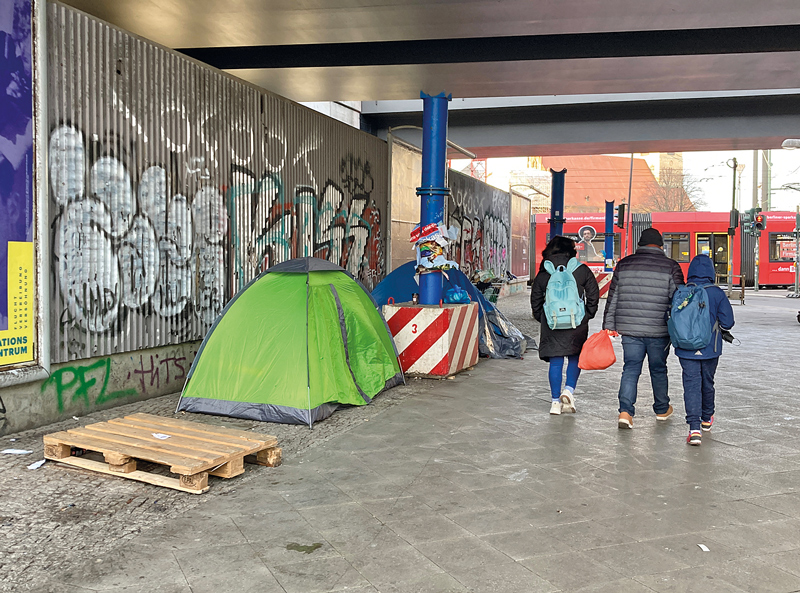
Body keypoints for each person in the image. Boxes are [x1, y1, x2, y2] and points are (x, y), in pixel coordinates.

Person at [603, 227, 685, 428]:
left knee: (630, 368)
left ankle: (625, 412)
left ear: (639, 244)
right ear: (661, 246)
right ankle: (662, 409)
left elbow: (613, 297)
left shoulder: (624, 264)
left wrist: (609, 325)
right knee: (658, 369)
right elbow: (679, 299)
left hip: (630, 329)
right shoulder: (670, 266)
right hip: (659, 329)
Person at [531, 236, 599, 415]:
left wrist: (543, 318)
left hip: (552, 322)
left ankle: (555, 402)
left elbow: (535, 300)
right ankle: (568, 390)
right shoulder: (581, 270)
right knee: (575, 357)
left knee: (556, 361)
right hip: (576, 321)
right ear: (571, 251)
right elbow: (593, 294)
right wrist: (587, 314)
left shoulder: (545, 271)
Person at [673, 254, 734, 446]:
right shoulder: (716, 293)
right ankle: (707, 418)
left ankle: (694, 429)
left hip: (685, 347)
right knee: (707, 382)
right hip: (710, 347)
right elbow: (728, 322)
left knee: (691, 385)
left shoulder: (682, 291)